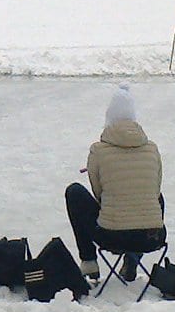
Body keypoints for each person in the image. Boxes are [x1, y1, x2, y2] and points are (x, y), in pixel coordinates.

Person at [63, 85, 165, 283]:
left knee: (74, 192)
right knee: (156, 198)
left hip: (111, 236)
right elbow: (156, 189)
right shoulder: (152, 149)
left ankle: (89, 260)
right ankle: (132, 261)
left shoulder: (98, 150)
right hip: (151, 238)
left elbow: (98, 193)